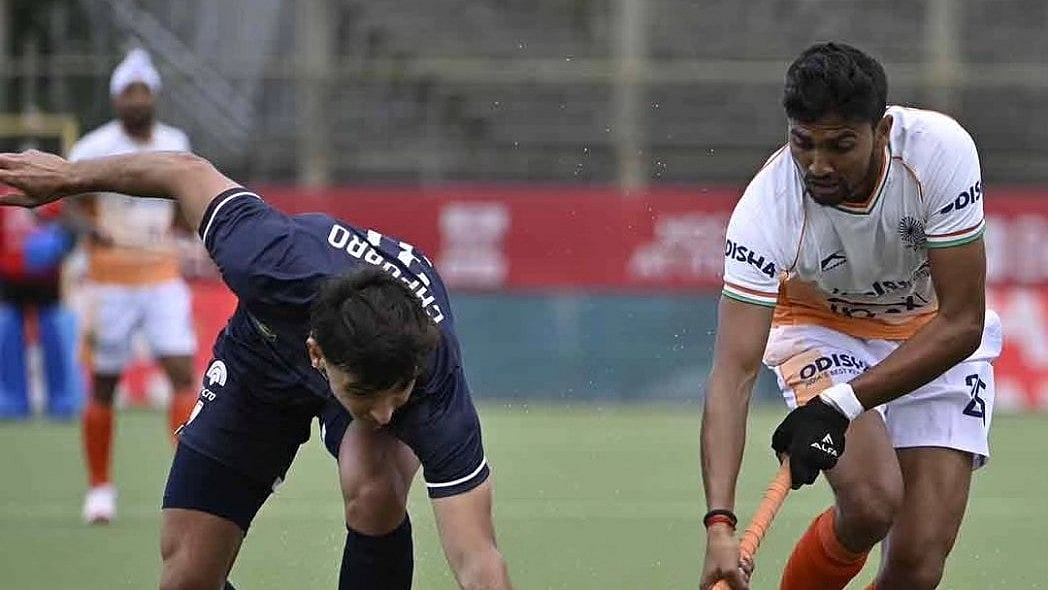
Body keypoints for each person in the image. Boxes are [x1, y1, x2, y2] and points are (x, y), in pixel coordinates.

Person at [0, 148, 513, 590]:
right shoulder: (266, 259)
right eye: (368, 395)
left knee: (376, 487)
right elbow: (185, 171)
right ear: (318, 356)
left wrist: (387, 395)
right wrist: (68, 177)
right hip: (261, 359)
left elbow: (479, 563)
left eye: (395, 394)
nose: (383, 414)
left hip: (368, 353)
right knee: (187, 576)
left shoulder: (431, 382)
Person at [699, 42, 999, 590]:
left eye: (840, 146)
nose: (818, 165)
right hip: (820, 327)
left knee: (917, 563)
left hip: (934, 333)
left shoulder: (940, 154)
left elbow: (963, 322)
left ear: (881, 131)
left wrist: (842, 402)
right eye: (803, 144)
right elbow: (732, 374)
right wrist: (720, 524)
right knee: (869, 502)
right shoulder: (768, 209)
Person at [67, 48, 198, 524]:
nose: (137, 99)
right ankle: (100, 490)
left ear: (155, 97)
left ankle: (193, 481)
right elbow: (68, 202)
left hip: (162, 276)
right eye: (128, 91)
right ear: (116, 98)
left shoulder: (174, 141)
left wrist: (185, 230)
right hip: (109, 283)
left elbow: (186, 196)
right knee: (104, 383)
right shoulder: (93, 147)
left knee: (183, 374)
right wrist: (92, 230)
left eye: (143, 91)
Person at [0, 201, 82, 420]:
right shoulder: (3, 197)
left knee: (53, 339)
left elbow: (71, 225)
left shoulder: (50, 191)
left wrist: (62, 242)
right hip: (9, 278)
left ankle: (61, 401)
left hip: (46, 279)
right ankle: (12, 401)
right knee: (9, 340)